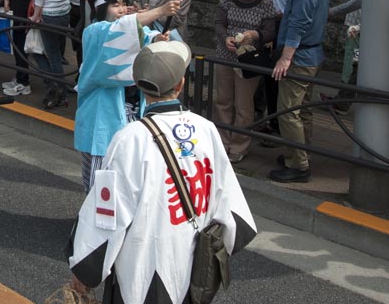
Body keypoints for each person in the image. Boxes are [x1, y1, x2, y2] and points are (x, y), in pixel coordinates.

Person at [69, 40, 257, 304]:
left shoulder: (129, 138)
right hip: (196, 264)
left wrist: (86, 267)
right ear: (180, 85)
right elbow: (231, 207)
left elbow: (109, 212)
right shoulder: (206, 129)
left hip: (143, 266)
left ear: (138, 85)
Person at [76, 0, 180, 191]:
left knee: (129, 178)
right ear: (99, 7)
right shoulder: (95, 32)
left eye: (123, 4)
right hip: (102, 115)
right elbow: (121, 31)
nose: (122, 10)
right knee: (100, 181)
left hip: (131, 115)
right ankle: (93, 220)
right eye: (115, 5)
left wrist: (157, 39)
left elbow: (138, 36)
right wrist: (159, 10)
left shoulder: (129, 30)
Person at [269, 0, 329, 183]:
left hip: (300, 56)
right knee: (302, 109)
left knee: (288, 111)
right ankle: (302, 154)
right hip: (312, 54)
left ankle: (298, 164)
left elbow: (299, 23)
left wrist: (285, 57)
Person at [213, 0, 280, 163]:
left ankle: (239, 144)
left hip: (249, 58)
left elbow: (270, 32)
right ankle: (222, 141)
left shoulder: (266, 2)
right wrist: (225, 38)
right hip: (225, 54)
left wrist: (255, 34)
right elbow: (219, 22)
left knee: (244, 105)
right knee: (223, 100)